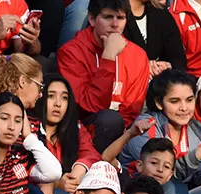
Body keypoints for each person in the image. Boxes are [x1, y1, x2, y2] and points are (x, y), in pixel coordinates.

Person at [57, 0, 150, 144]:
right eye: (108, 17)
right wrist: (108, 57)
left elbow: (132, 110)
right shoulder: (71, 52)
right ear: (92, 19)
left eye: (120, 18)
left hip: (124, 131)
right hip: (82, 128)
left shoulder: (138, 55)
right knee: (110, 121)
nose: (115, 24)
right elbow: (87, 107)